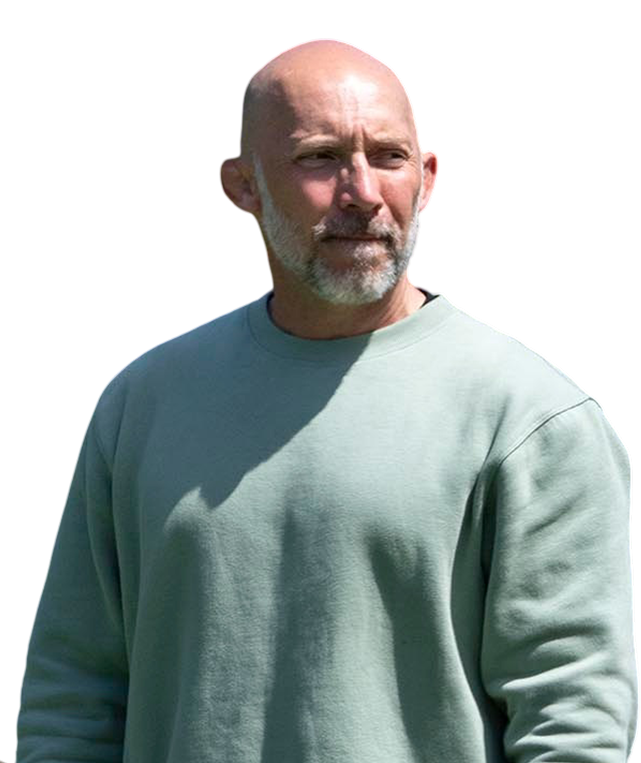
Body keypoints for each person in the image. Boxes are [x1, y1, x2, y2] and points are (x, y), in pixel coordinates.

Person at [15, 37, 638, 763]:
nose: (363, 192)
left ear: (428, 178)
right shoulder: (144, 400)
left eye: (389, 157)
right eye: (320, 158)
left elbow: (574, 722)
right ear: (242, 185)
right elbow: (71, 697)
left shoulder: (531, 416)